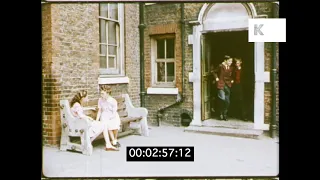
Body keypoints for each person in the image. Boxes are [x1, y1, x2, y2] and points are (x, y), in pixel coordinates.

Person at [213, 55, 234, 121]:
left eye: (231, 61)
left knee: (227, 101)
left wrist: (231, 80)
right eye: (229, 61)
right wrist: (216, 78)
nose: (231, 62)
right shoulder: (220, 66)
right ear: (225, 61)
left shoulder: (231, 68)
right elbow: (214, 72)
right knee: (222, 99)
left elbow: (231, 76)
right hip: (221, 84)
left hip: (228, 85)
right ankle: (220, 114)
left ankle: (225, 114)